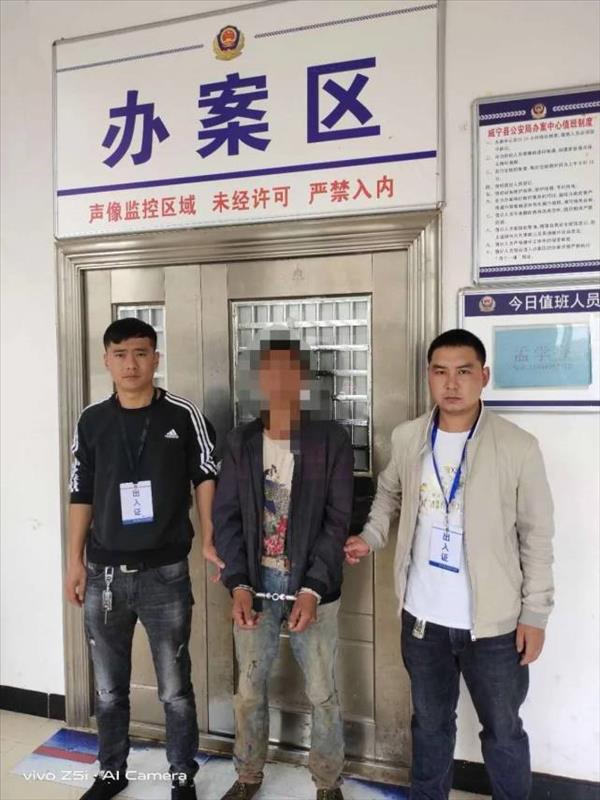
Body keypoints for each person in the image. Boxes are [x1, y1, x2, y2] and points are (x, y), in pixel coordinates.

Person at [344, 328, 554, 800]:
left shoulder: (518, 446)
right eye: (441, 372)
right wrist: (371, 536)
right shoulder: (409, 437)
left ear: (484, 376)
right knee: (430, 726)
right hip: (423, 620)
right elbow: (389, 493)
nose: (452, 383)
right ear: (429, 377)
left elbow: (537, 536)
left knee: (503, 732)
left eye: (464, 371)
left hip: (495, 628)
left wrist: (535, 615)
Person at [65, 317, 222, 800]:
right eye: (120, 354)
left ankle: (181, 776)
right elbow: (80, 491)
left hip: (165, 574)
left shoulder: (182, 415)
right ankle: (111, 772)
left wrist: (210, 538)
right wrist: (74, 561)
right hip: (104, 575)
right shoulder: (92, 419)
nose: (130, 364)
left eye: (140, 353)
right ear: (106, 360)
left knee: (174, 688)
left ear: (156, 358)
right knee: (108, 688)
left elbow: (206, 476)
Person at [213, 329, 354, 800]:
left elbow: (337, 520)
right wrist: (237, 582)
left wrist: (312, 588)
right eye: (269, 374)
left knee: (322, 691)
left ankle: (328, 781)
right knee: (249, 688)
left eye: (289, 374)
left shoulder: (330, 440)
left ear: (304, 380)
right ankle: (248, 773)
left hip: (314, 584)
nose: (279, 384)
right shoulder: (240, 443)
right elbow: (227, 518)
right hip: (255, 583)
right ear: (257, 381)